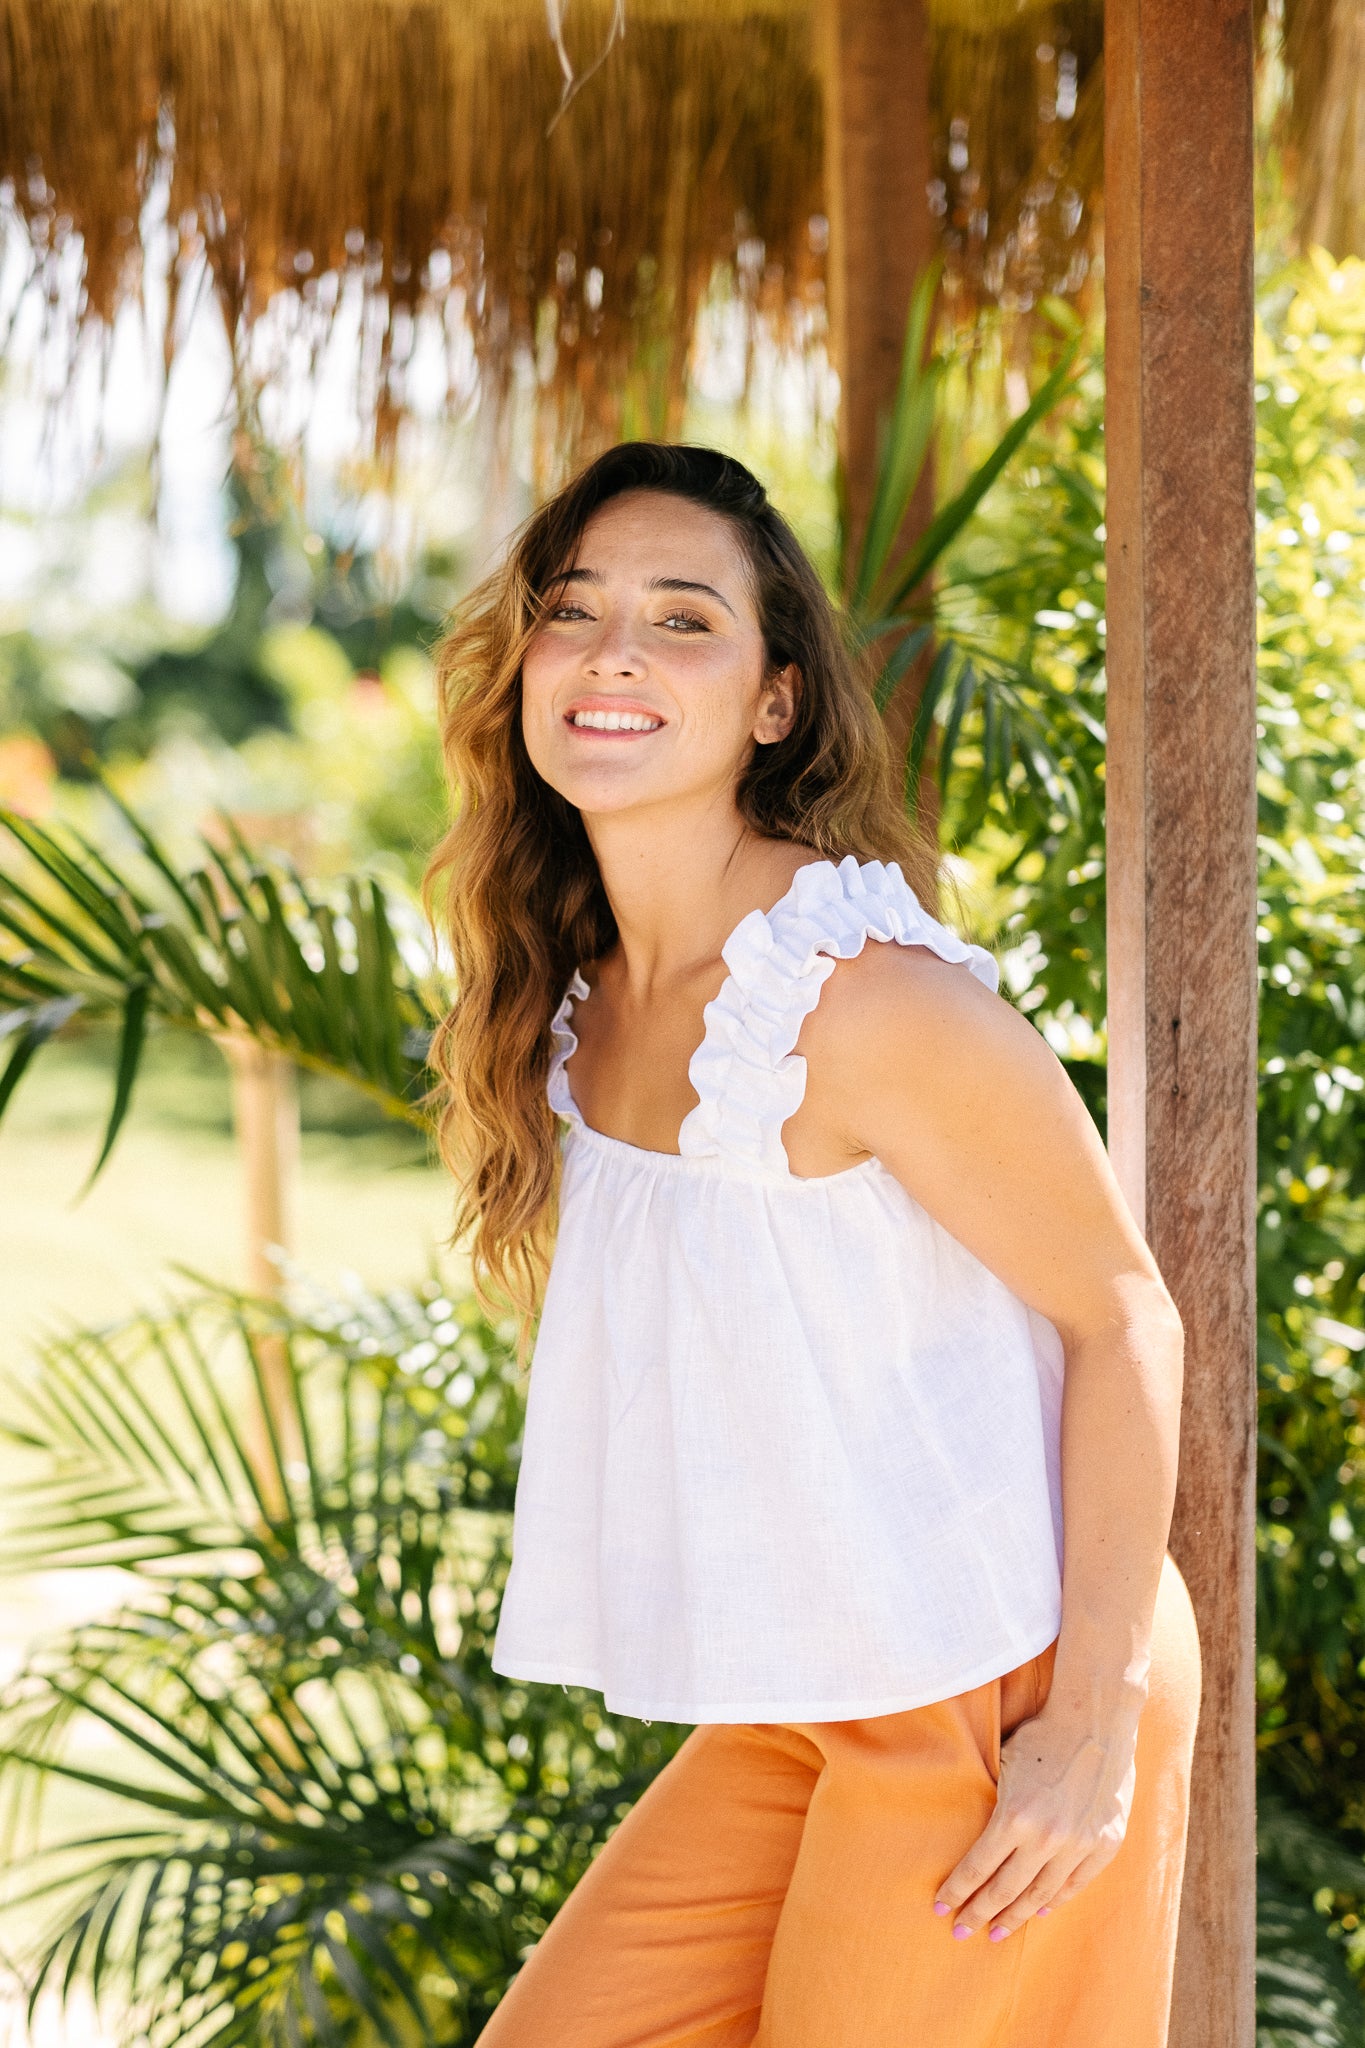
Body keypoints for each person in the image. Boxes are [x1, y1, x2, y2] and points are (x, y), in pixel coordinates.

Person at [424, 441, 1200, 2048]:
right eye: (573, 610)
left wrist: (1090, 1726)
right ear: (523, 666)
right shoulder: (579, 1000)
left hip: (1003, 1672)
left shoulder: (860, 1002)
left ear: (774, 702)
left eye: (682, 619)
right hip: (818, 1691)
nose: (614, 653)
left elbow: (1125, 1316)